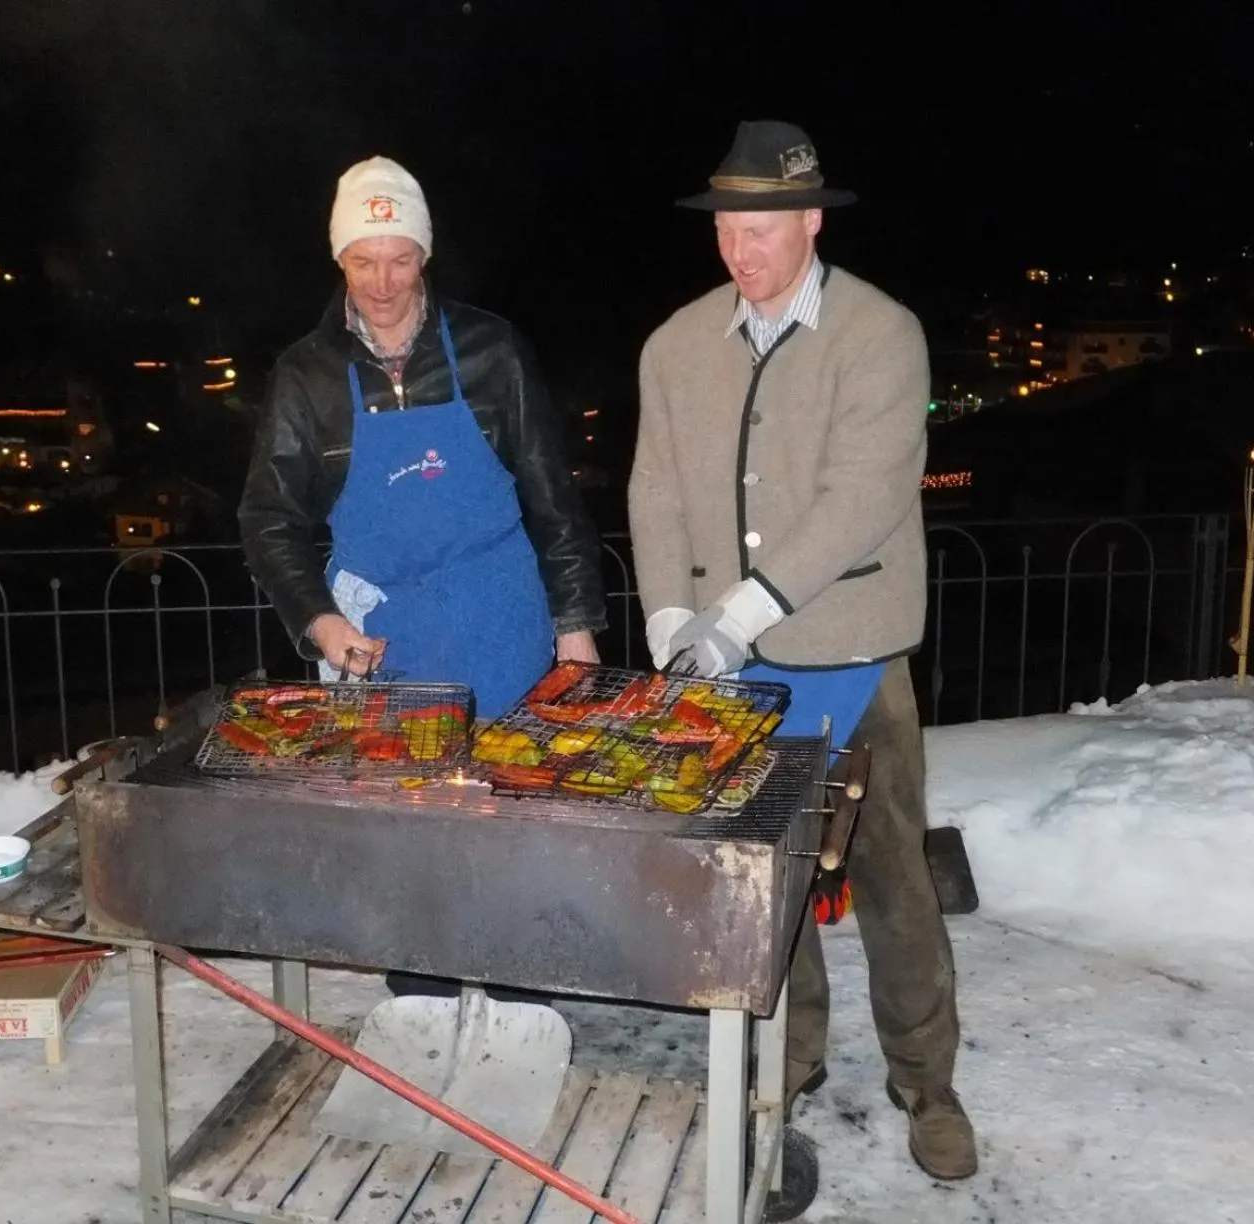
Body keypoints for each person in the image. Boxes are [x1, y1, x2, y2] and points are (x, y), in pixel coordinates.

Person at [628, 120, 977, 1181]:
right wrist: (662, 619)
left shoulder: (882, 333)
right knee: (764, 885)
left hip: (856, 652)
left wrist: (739, 608)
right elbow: (654, 491)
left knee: (892, 879)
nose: (745, 247)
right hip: (733, 673)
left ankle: (928, 1081)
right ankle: (795, 1055)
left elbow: (866, 498)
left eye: (766, 226)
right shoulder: (674, 344)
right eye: (730, 225)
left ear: (811, 220)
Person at [239, 156, 607, 718]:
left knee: (510, 789)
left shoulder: (495, 351)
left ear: (425, 255)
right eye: (363, 262)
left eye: (400, 261)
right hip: (378, 641)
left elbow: (552, 499)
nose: (381, 285)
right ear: (339, 257)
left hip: (501, 625)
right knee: (390, 797)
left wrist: (576, 628)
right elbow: (268, 518)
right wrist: (319, 619)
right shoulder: (304, 375)